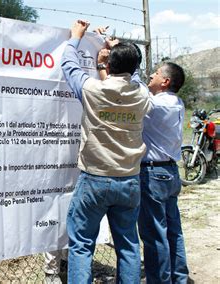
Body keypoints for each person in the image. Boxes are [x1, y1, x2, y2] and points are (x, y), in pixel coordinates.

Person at [61, 20, 151, 283]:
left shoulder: (92, 90)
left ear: (108, 65)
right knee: (129, 246)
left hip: (95, 180)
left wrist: (76, 37)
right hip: (129, 180)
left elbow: (69, 66)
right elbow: (134, 76)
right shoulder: (143, 95)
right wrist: (115, 50)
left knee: (81, 245)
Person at [138, 62, 189, 283]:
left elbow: (131, 87)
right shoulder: (177, 103)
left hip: (153, 174)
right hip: (170, 173)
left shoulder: (155, 105)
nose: (151, 75)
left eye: (156, 73)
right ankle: (179, 278)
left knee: (154, 234)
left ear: (165, 81)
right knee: (173, 231)